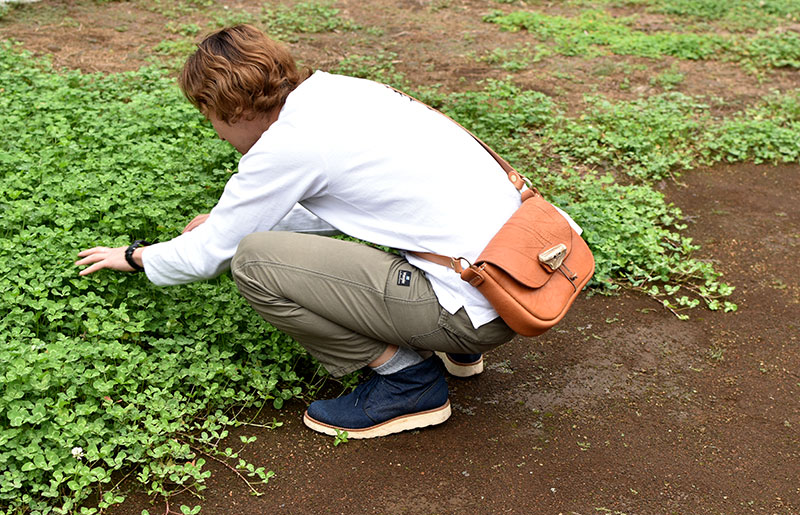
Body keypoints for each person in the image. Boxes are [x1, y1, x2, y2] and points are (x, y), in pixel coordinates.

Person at [76, 25, 576, 439]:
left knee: (252, 261)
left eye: (210, 119)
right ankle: (457, 352)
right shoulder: (342, 92)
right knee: (267, 240)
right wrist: (239, 221)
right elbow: (351, 199)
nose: (217, 133)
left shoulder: (288, 144)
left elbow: (210, 256)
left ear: (229, 109)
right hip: (522, 270)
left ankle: (408, 383)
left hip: (481, 306)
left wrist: (139, 255)